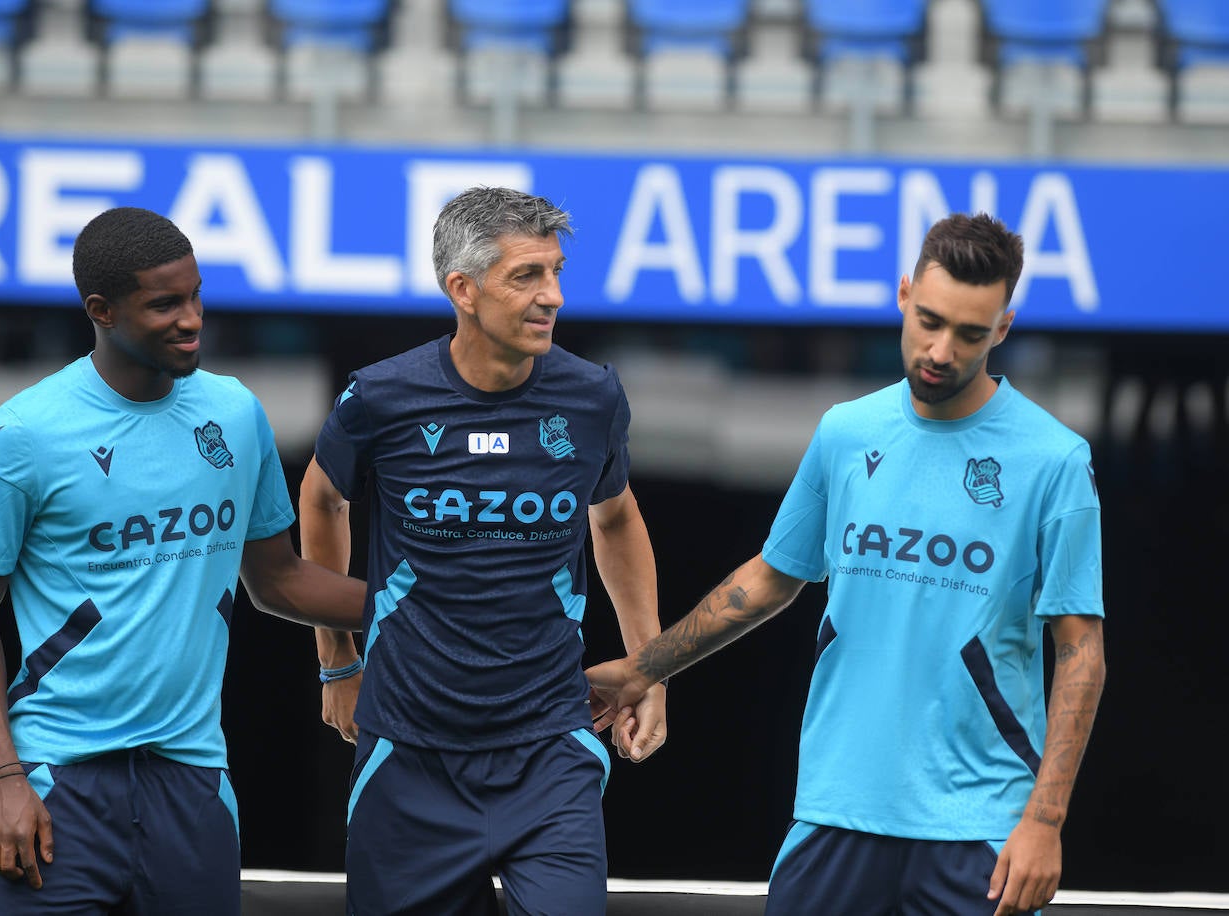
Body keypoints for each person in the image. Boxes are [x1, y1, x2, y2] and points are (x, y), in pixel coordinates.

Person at [587, 212, 1106, 916]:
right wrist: (645, 666)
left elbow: (1081, 652)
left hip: (979, 830)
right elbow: (773, 576)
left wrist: (1044, 823)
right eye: (929, 320)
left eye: (970, 333)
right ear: (902, 295)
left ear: (1004, 329)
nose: (941, 349)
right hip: (836, 811)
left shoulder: (1055, 460)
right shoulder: (846, 431)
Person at [0, 206, 366, 915]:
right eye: (165, 304)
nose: (191, 317)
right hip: (57, 784)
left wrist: (421, 601)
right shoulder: (22, 435)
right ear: (101, 311)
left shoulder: (234, 413)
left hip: (193, 782)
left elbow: (279, 582)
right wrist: (3, 779)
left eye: (197, 295)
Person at [298, 185, 667, 915]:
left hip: (550, 750)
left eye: (556, 272)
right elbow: (321, 500)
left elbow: (616, 518)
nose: (553, 296)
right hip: (406, 755)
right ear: (462, 290)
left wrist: (649, 668)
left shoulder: (593, 396)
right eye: (526, 276)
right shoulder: (380, 397)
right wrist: (337, 660)